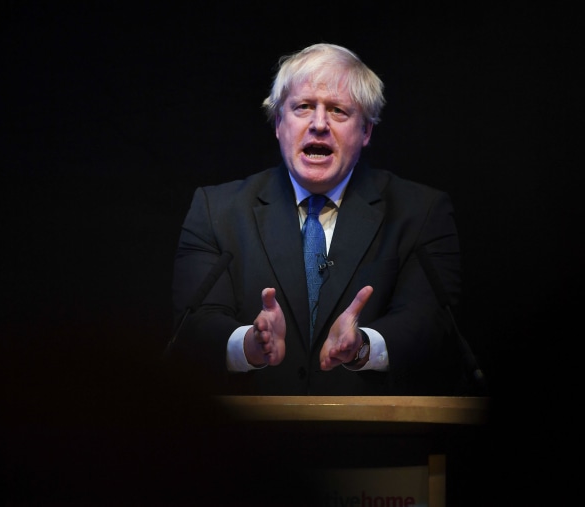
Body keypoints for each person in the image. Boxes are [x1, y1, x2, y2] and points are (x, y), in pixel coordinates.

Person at [170, 42, 463, 396]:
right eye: (303, 107)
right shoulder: (216, 210)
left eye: (338, 110)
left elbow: (430, 323)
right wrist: (250, 343)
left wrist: (362, 347)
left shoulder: (420, 211)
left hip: (372, 439)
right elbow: (194, 324)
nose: (319, 124)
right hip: (247, 441)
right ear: (279, 122)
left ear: (366, 131)